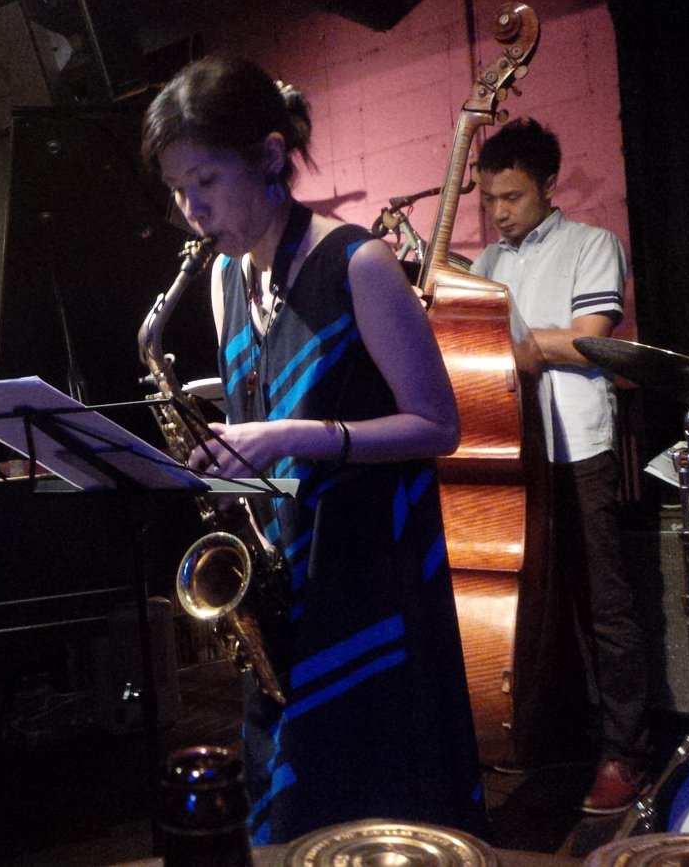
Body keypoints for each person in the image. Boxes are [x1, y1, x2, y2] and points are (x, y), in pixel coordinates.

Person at [141, 55, 485, 844]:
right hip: (288, 576)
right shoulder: (226, 281)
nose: (192, 210)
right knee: (295, 808)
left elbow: (439, 426)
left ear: (269, 156)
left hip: (370, 574)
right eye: (177, 189)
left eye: (205, 181)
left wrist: (298, 436)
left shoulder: (360, 264)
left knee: (379, 808)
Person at [470, 117, 650, 814]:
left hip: (578, 447)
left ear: (548, 185)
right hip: (512, 453)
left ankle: (625, 753)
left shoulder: (592, 244)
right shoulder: (485, 266)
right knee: (538, 604)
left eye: (512, 196)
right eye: (489, 198)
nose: (499, 212)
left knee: (603, 606)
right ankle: (560, 736)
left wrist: (519, 343)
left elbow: (589, 341)